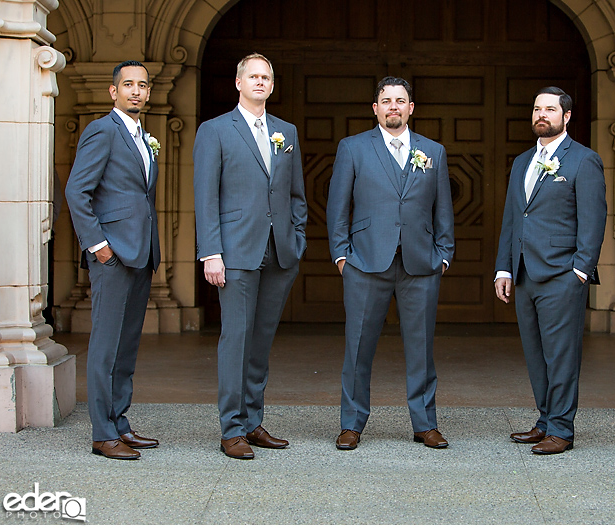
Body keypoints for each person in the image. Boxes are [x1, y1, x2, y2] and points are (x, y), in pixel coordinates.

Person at [326, 76, 455, 450]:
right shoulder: (353, 148)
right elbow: (338, 208)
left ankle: (425, 423)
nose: (393, 107)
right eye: (386, 101)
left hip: (420, 265)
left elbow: (443, 209)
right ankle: (351, 423)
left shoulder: (434, 151)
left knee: (421, 350)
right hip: (365, 263)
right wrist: (342, 257)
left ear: (411, 108)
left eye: (400, 101)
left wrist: (442, 256)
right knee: (358, 349)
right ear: (376, 108)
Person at [193, 53, 307, 460]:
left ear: (272, 85)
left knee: (261, 341)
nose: (260, 82)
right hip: (235, 251)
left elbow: (296, 194)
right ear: (238, 83)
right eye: (253, 76)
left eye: (266, 77)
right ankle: (231, 429)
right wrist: (211, 252)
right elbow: (205, 197)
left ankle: (253, 421)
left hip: (279, 251)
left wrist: (297, 238)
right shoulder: (215, 130)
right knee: (236, 339)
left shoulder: (286, 131)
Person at [494, 86, 607, 455]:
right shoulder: (522, 162)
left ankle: (562, 428)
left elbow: (593, 219)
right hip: (525, 275)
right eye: (537, 108)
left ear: (566, 116)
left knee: (561, 355)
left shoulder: (583, 160)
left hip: (562, 275)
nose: (542, 115)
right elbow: (514, 217)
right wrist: (504, 269)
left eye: (550, 109)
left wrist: (580, 270)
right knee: (536, 354)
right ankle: (545, 420)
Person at [65, 60, 161, 460]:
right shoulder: (102, 130)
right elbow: (76, 191)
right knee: (105, 345)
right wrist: (97, 246)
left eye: (142, 85)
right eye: (128, 85)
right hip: (113, 256)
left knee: (126, 345)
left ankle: (120, 422)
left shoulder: (142, 136)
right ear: (113, 91)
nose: (136, 91)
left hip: (141, 252)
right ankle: (102, 433)